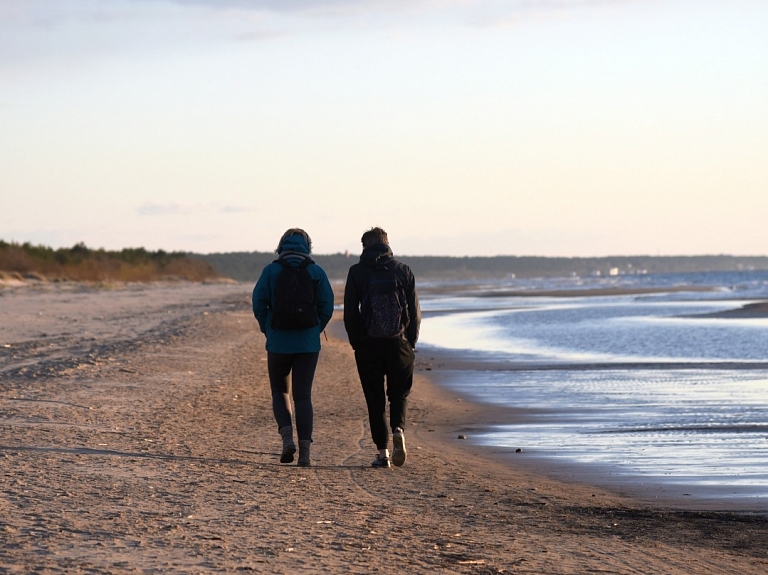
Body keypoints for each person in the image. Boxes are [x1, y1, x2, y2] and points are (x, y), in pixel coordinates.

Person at [253, 228, 334, 467]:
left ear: (281, 246)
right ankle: (306, 454)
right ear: (308, 247)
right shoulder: (317, 271)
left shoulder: (270, 271)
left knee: (280, 391)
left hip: (278, 341)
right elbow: (327, 307)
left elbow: (259, 303)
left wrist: (268, 329)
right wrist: (314, 330)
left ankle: (287, 439)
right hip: (308, 344)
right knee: (303, 396)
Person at [343, 227, 421, 468]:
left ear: (364, 247)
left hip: (368, 346)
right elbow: (415, 314)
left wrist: (358, 344)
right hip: (399, 343)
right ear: (387, 244)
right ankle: (398, 429)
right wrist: (410, 343)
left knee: (374, 399)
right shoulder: (403, 270)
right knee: (398, 394)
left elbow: (350, 314)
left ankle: (382, 454)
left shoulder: (356, 272)